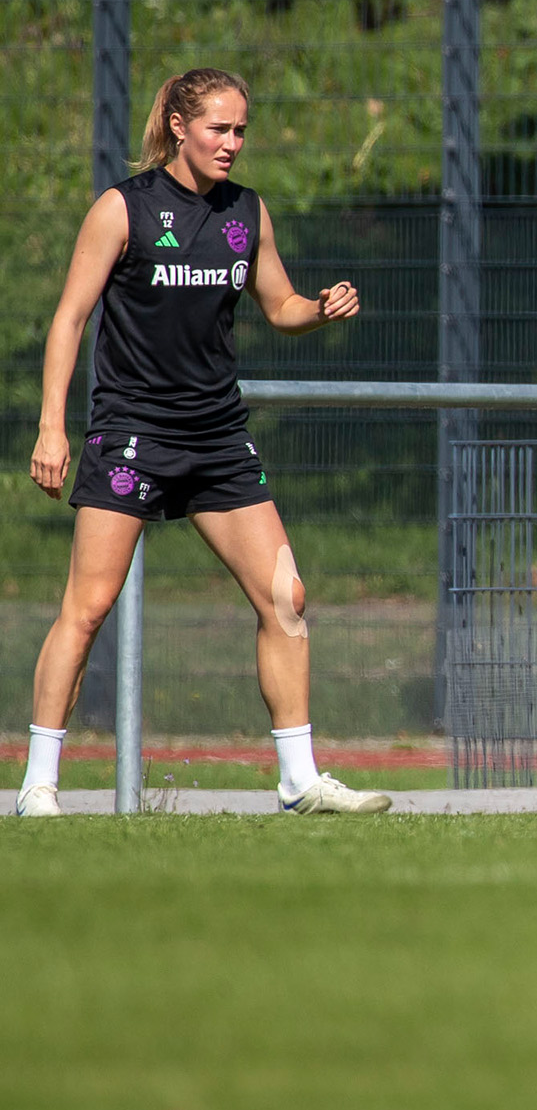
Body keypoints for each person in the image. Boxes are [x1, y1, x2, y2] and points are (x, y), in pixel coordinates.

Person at [17, 68, 387, 817]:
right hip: (132, 435)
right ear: (179, 127)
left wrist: (320, 307)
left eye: (241, 129)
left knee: (286, 596)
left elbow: (277, 303)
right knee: (87, 608)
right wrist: (53, 424)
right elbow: (69, 319)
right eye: (219, 128)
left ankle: (297, 778)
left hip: (217, 436)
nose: (232, 142)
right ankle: (38, 785)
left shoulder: (247, 213)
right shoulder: (123, 209)